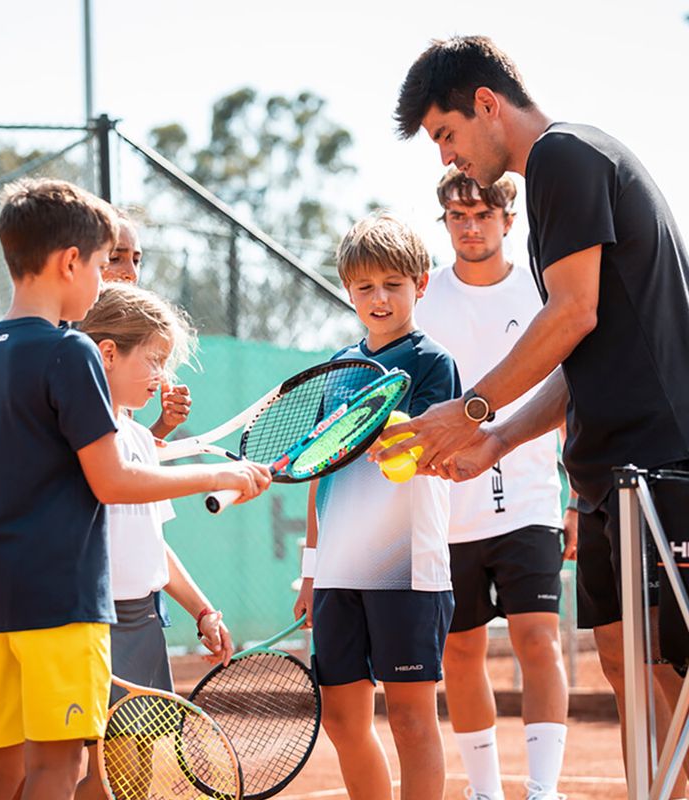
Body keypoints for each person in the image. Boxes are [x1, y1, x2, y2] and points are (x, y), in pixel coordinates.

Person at [386, 35, 689, 796]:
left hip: (663, 464)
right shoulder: (562, 175)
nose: (446, 158)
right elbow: (580, 351)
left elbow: (573, 312)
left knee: (677, 682)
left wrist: (472, 405)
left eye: (446, 135)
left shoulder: (565, 157)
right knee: (632, 671)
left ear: (488, 104)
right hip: (607, 475)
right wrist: (495, 438)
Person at [0, 178, 271, 800]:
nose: (106, 281)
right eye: (103, 265)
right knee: (54, 767)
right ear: (70, 261)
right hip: (62, 601)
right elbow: (115, 480)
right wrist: (220, 473)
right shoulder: (69, 351)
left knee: (0, 764)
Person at [416, 167, 572, 800]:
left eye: (483, 215)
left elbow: (570, 390)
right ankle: (486, 791)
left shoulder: (543, 294)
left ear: (509, 221)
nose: (471, 226)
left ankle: (541, 789)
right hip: (448, 507)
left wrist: (578, 495)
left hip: (532, 499)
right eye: (458, 216)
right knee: (461, 651)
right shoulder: (425, 299)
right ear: (445, 223)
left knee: (538, 639)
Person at [294, 212, 460, 800]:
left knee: (412, 720)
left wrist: (396, 433)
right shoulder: (339, 368)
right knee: (342, 721)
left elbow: (442, 448)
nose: (379, 298)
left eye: (393, 284)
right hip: (338, 571)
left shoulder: (433, 362)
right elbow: (320, 473)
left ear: (421, 284)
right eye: (365, 286)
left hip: (405, 567)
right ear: (348, 291)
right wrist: (312, 571)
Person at [74, 282, 234, 799]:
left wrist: (204, 611)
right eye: (155, 360)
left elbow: (152, 544)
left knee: (130, 782)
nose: (163, 376)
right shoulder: (83, 434)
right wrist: (212, 478)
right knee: (98, 778)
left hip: (144, 621)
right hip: (96, 626)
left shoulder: (141, 436)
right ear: (108, 353)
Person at [102, 207, 191, 442]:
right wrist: (216, 479)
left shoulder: (121, 336)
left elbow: (122, 457)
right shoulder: (70, 346)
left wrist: (164, 424)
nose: (131, 273)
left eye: (136, 260)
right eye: (114, 259)